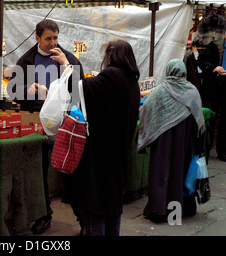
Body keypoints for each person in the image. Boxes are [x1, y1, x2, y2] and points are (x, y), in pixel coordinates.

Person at [8, 19, 84, 235]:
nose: (53, 42)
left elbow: (80, 88)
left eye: (56, 38)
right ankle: (43, 215)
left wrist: (67, 66)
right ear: (37, 38)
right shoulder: (26, 60)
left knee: (68, 171)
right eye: (48, 38)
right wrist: (27, 90)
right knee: (37, 173)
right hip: (36, 123)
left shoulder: (67, 58)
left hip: (65, 122)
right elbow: (12, 90)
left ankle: (82, 215)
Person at [61, 40, 140, 236]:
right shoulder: (131, 80)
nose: (103, 59)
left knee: (95, 207)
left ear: (111, 56)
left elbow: (78, 90)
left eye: (105, 54)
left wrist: (66, 65)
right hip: (117, 153)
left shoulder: (112, 76)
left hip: (100, 155)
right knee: (112, 206)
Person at [138, 58, 205, 222]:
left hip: (162, 144)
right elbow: (199, 121)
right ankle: (179, 210)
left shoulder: (160, 91)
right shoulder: (192, 91)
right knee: (180, 172)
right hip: (184, 144)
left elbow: (145, 111)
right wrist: (199, 145)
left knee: (161, 172)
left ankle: (159, 210)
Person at [196, 31, 226, 161]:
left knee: (224, 121)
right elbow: (201, 62)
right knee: (211, 116)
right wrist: (214, 68)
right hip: (213, 87)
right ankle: (205, 148)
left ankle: (222, 151)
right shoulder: (214, 46)